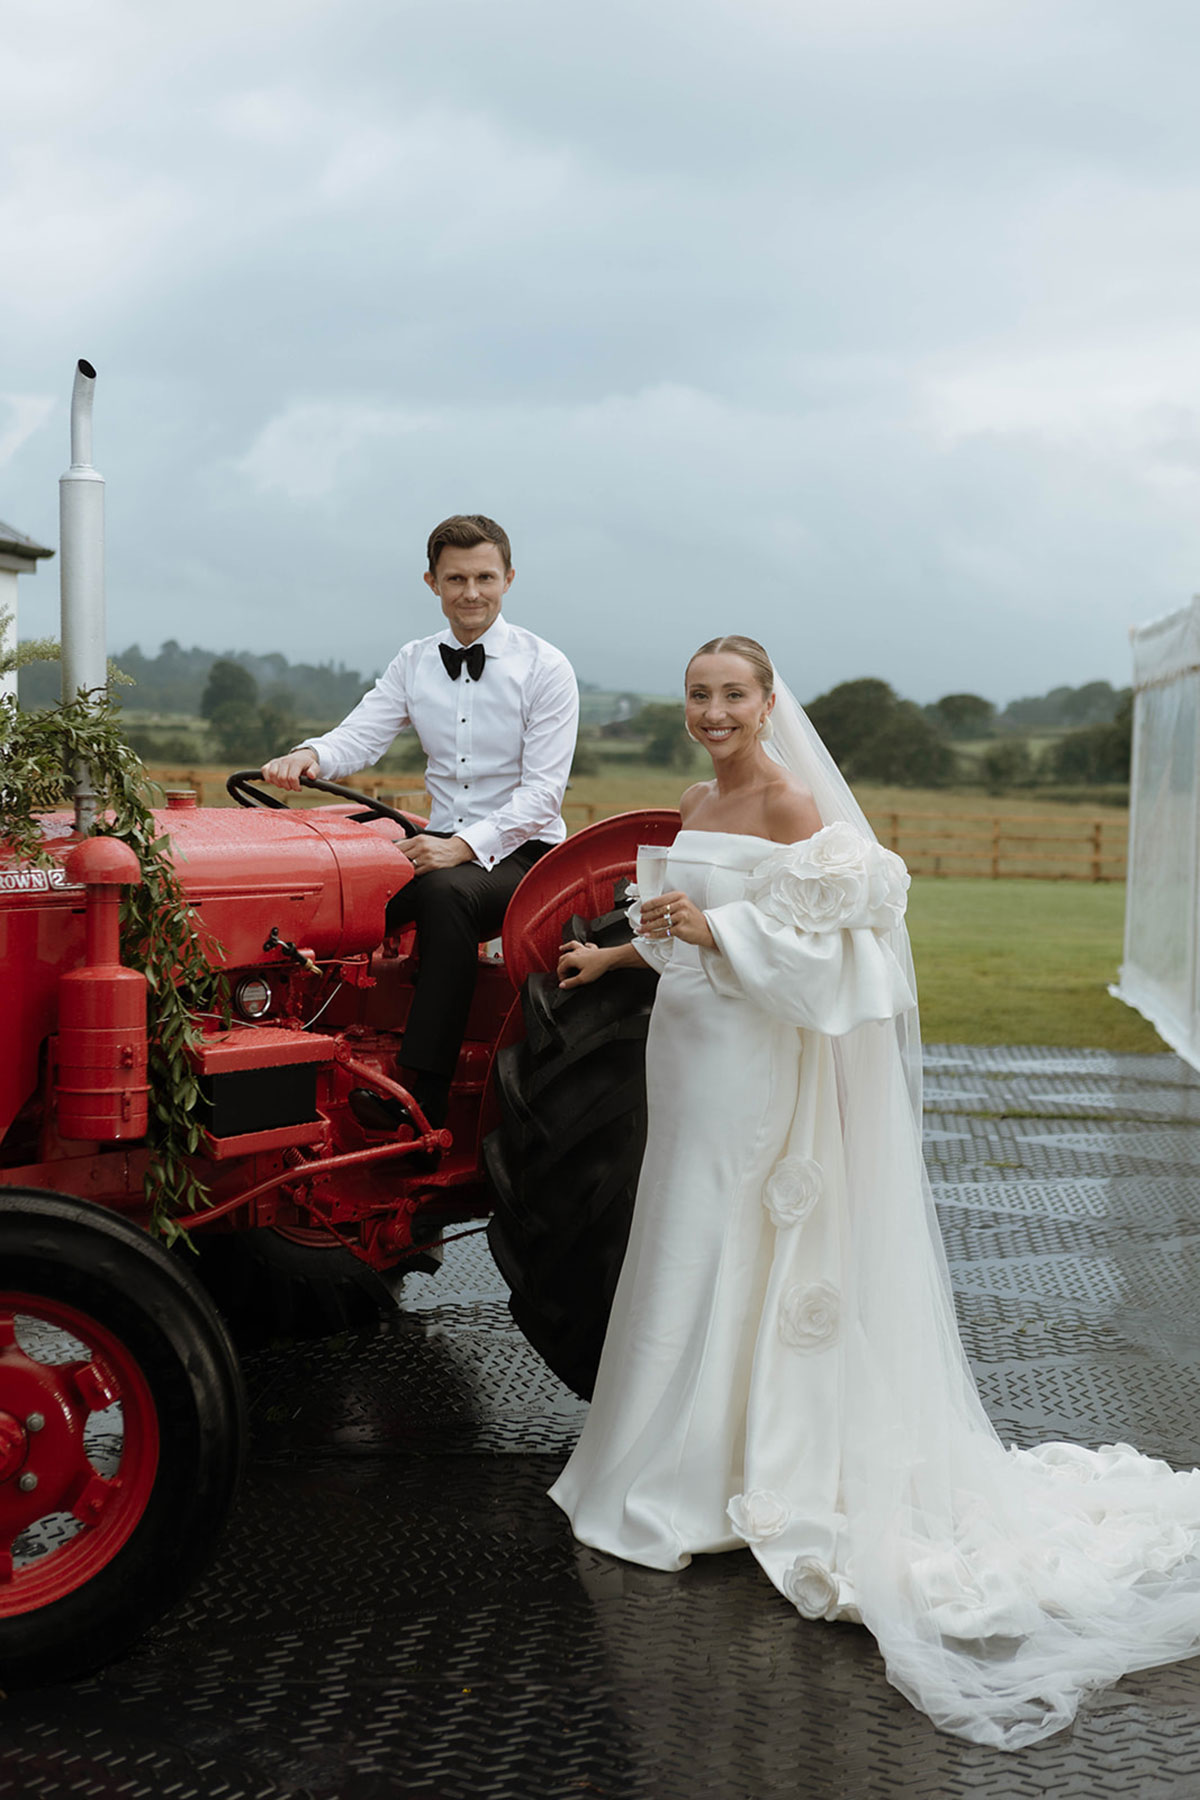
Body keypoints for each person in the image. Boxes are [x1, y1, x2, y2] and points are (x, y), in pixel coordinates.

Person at [546, 634, 1200, 1751]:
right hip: (687, 1050)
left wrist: (721, 928)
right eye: (699, 694)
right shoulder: (698, 795)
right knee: (679, 1239)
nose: (713, 712)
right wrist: (622, 956)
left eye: (732, 695)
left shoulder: (799, 806)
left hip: (752, 1065)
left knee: (728, 1236)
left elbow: (840, 955)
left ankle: (717, 1473)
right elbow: (684, 926)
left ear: (766, 702)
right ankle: (666, 1455)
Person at [263, 514, 578, 1126]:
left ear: (508, 579)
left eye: (485, 577)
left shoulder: (546, 668)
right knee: (334, 891)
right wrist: (311, 754)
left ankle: (421, 1093)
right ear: (432, 582)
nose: (471, 592)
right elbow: (362, 734)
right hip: (439, 844)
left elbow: (541, 796)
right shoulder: (414, 661)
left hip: (524, 852)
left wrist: (462, 846)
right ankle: (293, 1054)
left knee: (444, 897)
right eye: (456, 578)